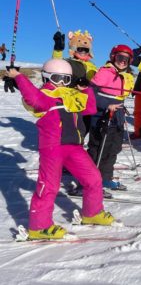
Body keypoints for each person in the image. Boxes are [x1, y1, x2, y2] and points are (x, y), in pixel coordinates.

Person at [6, 59, 115, 240]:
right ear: (46, 78)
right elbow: (33, 98)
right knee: (49, 185)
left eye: (66, 79)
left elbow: (90, 108)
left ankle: (92, 213)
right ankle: (39, 227)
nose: (62, 83)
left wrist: (85, 89)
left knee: (94, 178)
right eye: (58, 78)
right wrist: (18, 77)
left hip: (74, 146)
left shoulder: (71, 95)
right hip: (53, 147)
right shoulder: (45, 95)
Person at [86, 45, 135, 191]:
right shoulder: (105, 72)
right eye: (120, 57)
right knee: (99, 147)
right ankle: (90, 180)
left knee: (113, 148)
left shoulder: (128, 75)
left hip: (117, 115)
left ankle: (105, 178)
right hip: (102, 115)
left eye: (126, 59)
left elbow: (120, 96)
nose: (122, 61)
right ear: (113, 57)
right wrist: (107, 105)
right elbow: (90, 93)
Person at [52, 30, 98, 134]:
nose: (83, 52)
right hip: (71, 101)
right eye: (79, 49)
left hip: (87, 103)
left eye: (86, 50)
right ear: (73, 49)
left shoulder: (93, 66)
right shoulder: (68, 62)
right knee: (69, 130)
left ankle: (78, 145)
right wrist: (58, 49)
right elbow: (56, 64)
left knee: (84, 129)